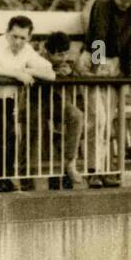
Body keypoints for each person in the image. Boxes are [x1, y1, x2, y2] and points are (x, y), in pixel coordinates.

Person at [0, 14, 55, 192]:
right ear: (7, 33)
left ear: (29, 38)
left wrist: (25, 69)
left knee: (9, 139)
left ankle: (4, 180)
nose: (18, 41)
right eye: (14, 36)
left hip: (6, 99)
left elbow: (50, 72)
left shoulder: (27, 50)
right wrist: (16, 73)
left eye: (22, 38)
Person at [83, 0, 131, 187]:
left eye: (128, 3)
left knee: (109, 119)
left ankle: (106, 168)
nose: (125, 6)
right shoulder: (102, 4)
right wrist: (97, 66)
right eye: (121, 3)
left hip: (116, 63)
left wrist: (127, 73)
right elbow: (98, 37)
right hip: (97, 59)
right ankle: (93, 169)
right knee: (96, 119)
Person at [31, 31, 85, 190]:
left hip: (62, 104)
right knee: (43, 137)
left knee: (77, 121)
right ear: (49, 52)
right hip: (40, 103)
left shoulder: (74, 57)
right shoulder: (37, 58)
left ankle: (78, 167)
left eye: (65, 54)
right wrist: (52, 74)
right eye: (60, 55)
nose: (63, 58)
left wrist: (71, 73)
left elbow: (89, 73)